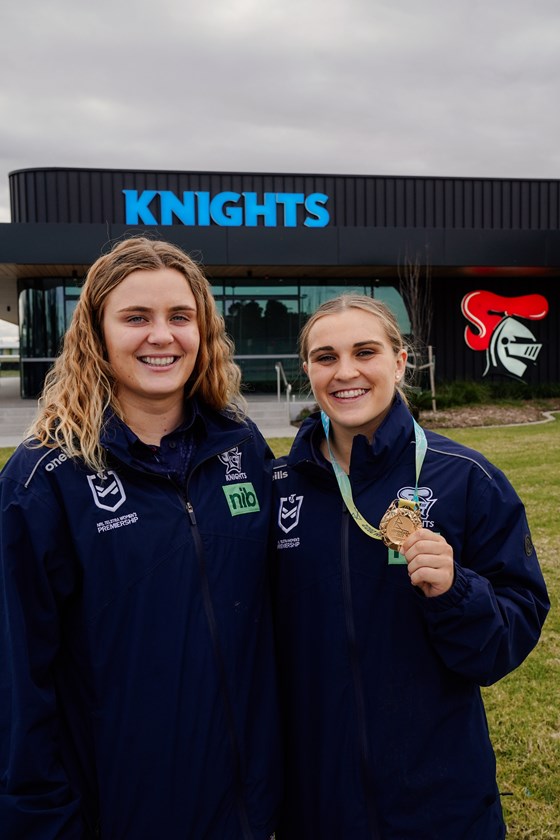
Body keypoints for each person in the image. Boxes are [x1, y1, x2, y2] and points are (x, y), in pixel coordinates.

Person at [0, 236, 281, 839]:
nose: (162, 336)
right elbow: (17, 687)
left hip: (251, 808)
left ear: (203, 331)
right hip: (122, 813)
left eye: (180, 316)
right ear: (95, 336)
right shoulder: (43, 481)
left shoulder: (242, 448)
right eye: (135, 318)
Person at [272, 293, 549, 839]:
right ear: (307, 371)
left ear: (401, 362)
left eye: (366, 352)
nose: (345, 372)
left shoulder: (465, 478)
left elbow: (507, 639)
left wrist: (456, 590)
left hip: (438, 799)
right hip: (317, 801)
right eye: (325, 357)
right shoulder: (280, 486)